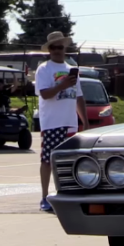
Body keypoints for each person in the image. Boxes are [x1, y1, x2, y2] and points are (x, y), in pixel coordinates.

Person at [36, 31, 89, 212]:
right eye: (54, 47)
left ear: (65, 48)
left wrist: (85, 122)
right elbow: (44, 94)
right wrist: (62, 85)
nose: (57, 51)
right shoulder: (44, 69)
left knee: (70, 161)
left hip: (70, 123)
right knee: (48, 160)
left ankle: (66, 193)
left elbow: (79, 97)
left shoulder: (71, 69)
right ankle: (44, 196)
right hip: (52, 123)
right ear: (49, 50)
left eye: (60, 47)